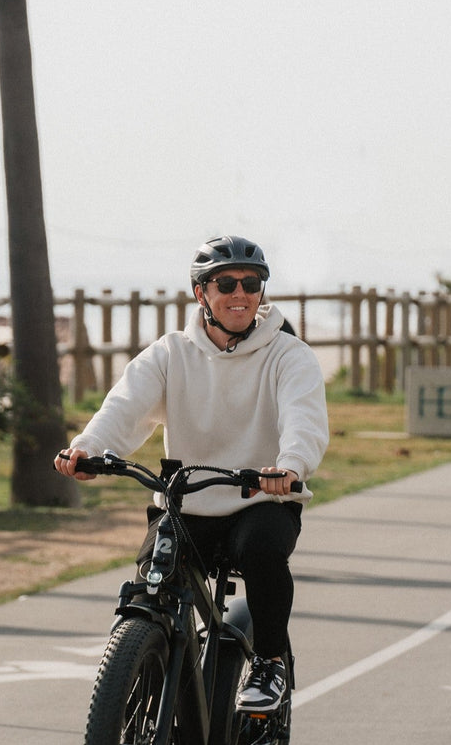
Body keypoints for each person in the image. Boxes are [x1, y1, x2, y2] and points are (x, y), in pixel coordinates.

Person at [55, 235, 329, 711]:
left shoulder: (290, 355)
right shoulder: (170, 353)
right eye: (226, 283)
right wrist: (88, 450)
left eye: (252, 282)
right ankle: (145, 673)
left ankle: (269, 664)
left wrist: (290, 466)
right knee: (152, 582)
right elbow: (124, 407)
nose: (240, 293)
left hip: (260, 501)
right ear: (201, 293)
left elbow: (303, 419)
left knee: (260, 550)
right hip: (186, 506)